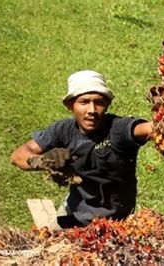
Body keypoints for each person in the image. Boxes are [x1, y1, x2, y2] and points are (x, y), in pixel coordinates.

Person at [10, 70, 153, 228]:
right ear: (70, 105)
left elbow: (148, 129)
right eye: (84, 102)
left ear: (107, 105)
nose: (91, 110)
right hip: (74, 215)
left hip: (117, 224)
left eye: (98, 102)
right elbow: (17, 156)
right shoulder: (63, 130)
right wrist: (41, 161)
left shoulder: (118, 128)